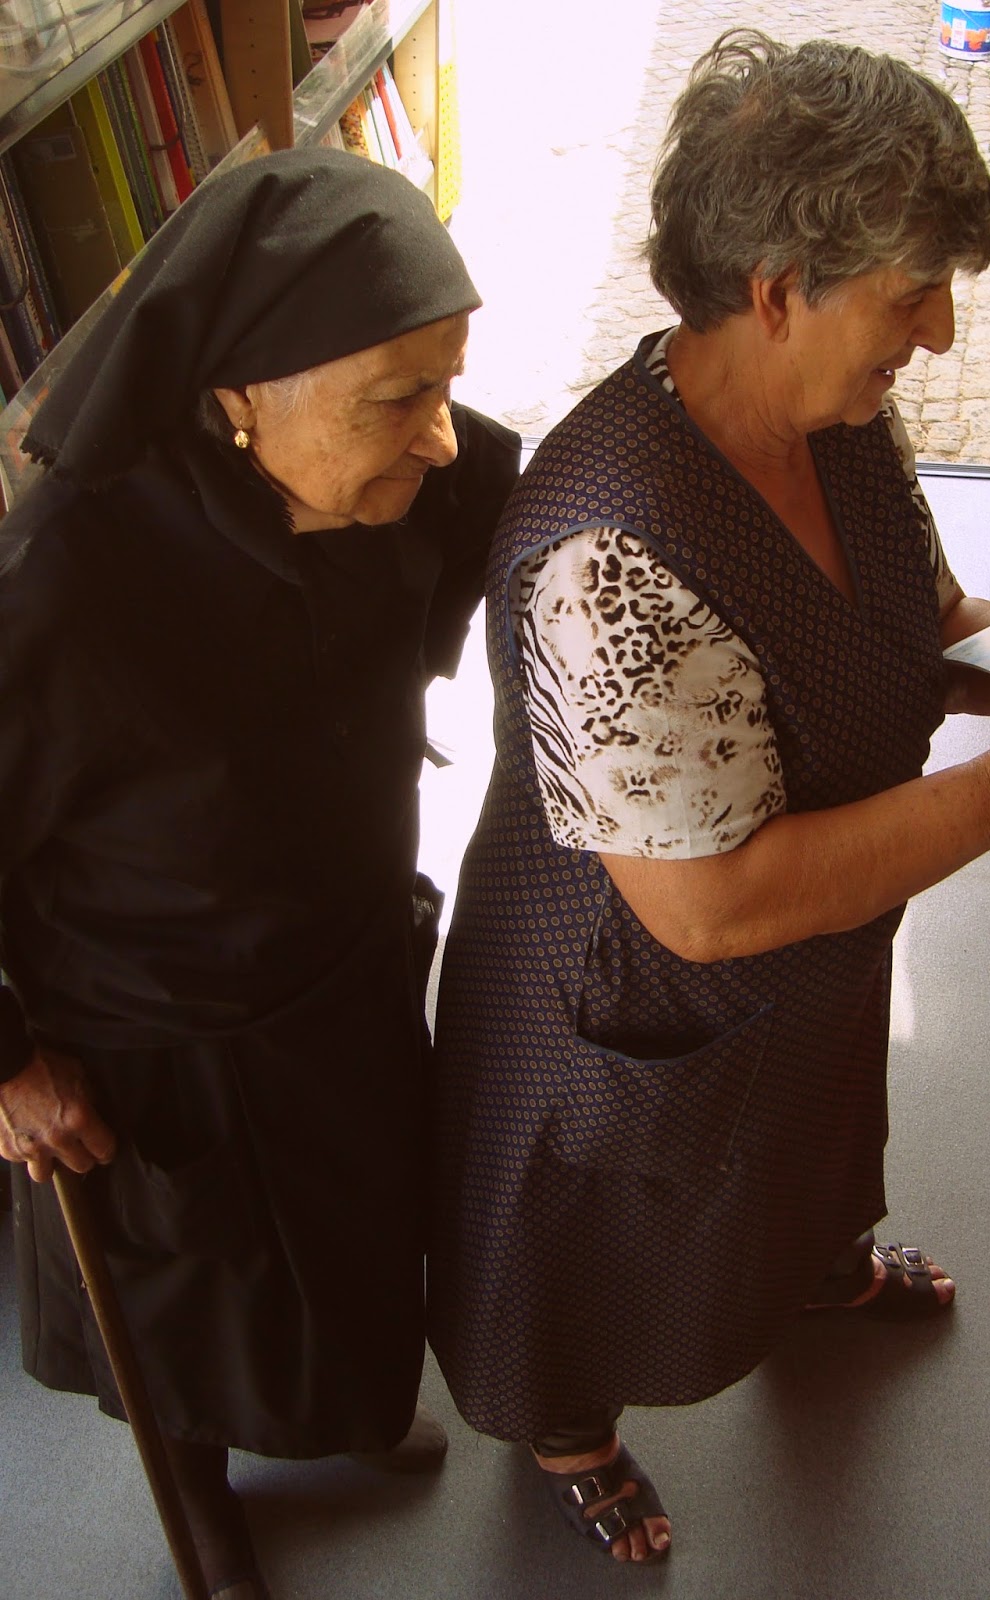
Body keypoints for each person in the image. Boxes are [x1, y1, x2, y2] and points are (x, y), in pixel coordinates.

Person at [426, 31, 990, 1567]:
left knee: (802, 1135)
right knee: (611, 1221)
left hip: (811, 947)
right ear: (777, 292)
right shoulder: (607, 554)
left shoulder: (836, 417)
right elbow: (712, 907)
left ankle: (816, 1268)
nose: (942, 333)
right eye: (912, 295)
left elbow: (911, 622)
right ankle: (570, 1431)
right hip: (632, 990)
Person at [0, 147, 519, 1599]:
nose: (441, 437)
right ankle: (200, 1484)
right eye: (396, 399)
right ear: (239, 397)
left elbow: (530, 528)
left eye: (447, 381)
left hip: (344, 968)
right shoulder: (62, 583)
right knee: (197, 1301)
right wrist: (9, 1067)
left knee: (355, 1238)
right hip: (161, 1041)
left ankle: (339, 1414)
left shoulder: (433, 477)